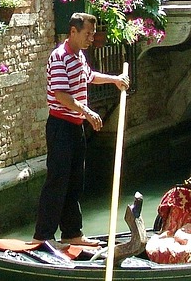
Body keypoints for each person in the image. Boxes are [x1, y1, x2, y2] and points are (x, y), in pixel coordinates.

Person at [33, 12, 130, 247]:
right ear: (74, 32)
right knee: (57, 180)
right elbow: (61, 94)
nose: (91, 38)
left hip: (75, 128)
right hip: (60, 127)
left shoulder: (79, 56)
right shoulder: (59, 57)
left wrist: (114, 79)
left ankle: (71, 233)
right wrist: (87, 112)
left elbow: (89, 77)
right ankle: (43, 236)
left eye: (93, 34)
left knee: (75, 181)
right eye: (88, 34)